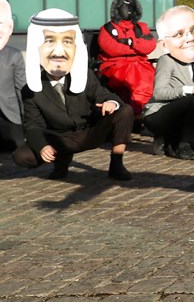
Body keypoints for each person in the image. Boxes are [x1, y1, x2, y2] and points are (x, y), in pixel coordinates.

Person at [12, 9, 132, 180]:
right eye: (49, 41)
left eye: (67, 41)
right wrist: (42, 147)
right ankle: (61, 162)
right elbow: (32, 125)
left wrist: (111, 102)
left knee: (124, 110)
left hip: (88, 132)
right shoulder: (30, 89)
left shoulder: (85, 75)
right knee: (22, 156)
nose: (59, 53)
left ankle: (117, 162)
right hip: (59, 138)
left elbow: (104, 95)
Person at [144, 6, 194, 160]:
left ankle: (168, 140)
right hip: (159, 114)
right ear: (165, 43)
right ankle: (182, 146)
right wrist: (186, 89)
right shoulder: (167, 60)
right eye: (179, 34)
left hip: (182, 116)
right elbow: (158, 92)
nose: (190, 38)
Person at [96, 0, 156, 123]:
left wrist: (130, 42)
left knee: (154, 77)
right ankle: (135, 115)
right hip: (115, 66)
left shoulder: (141, 27)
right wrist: (137, 47)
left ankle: (144, 112)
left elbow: (150, 45)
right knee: (134, 80)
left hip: (141, 64)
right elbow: (111, 48)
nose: (127, 9)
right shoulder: (107, 28)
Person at [0, 0, 26, 156]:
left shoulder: (14, 55)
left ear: (10, 28)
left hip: (9, 114)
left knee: (19, 150)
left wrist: (28, 121)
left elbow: (21, 88)